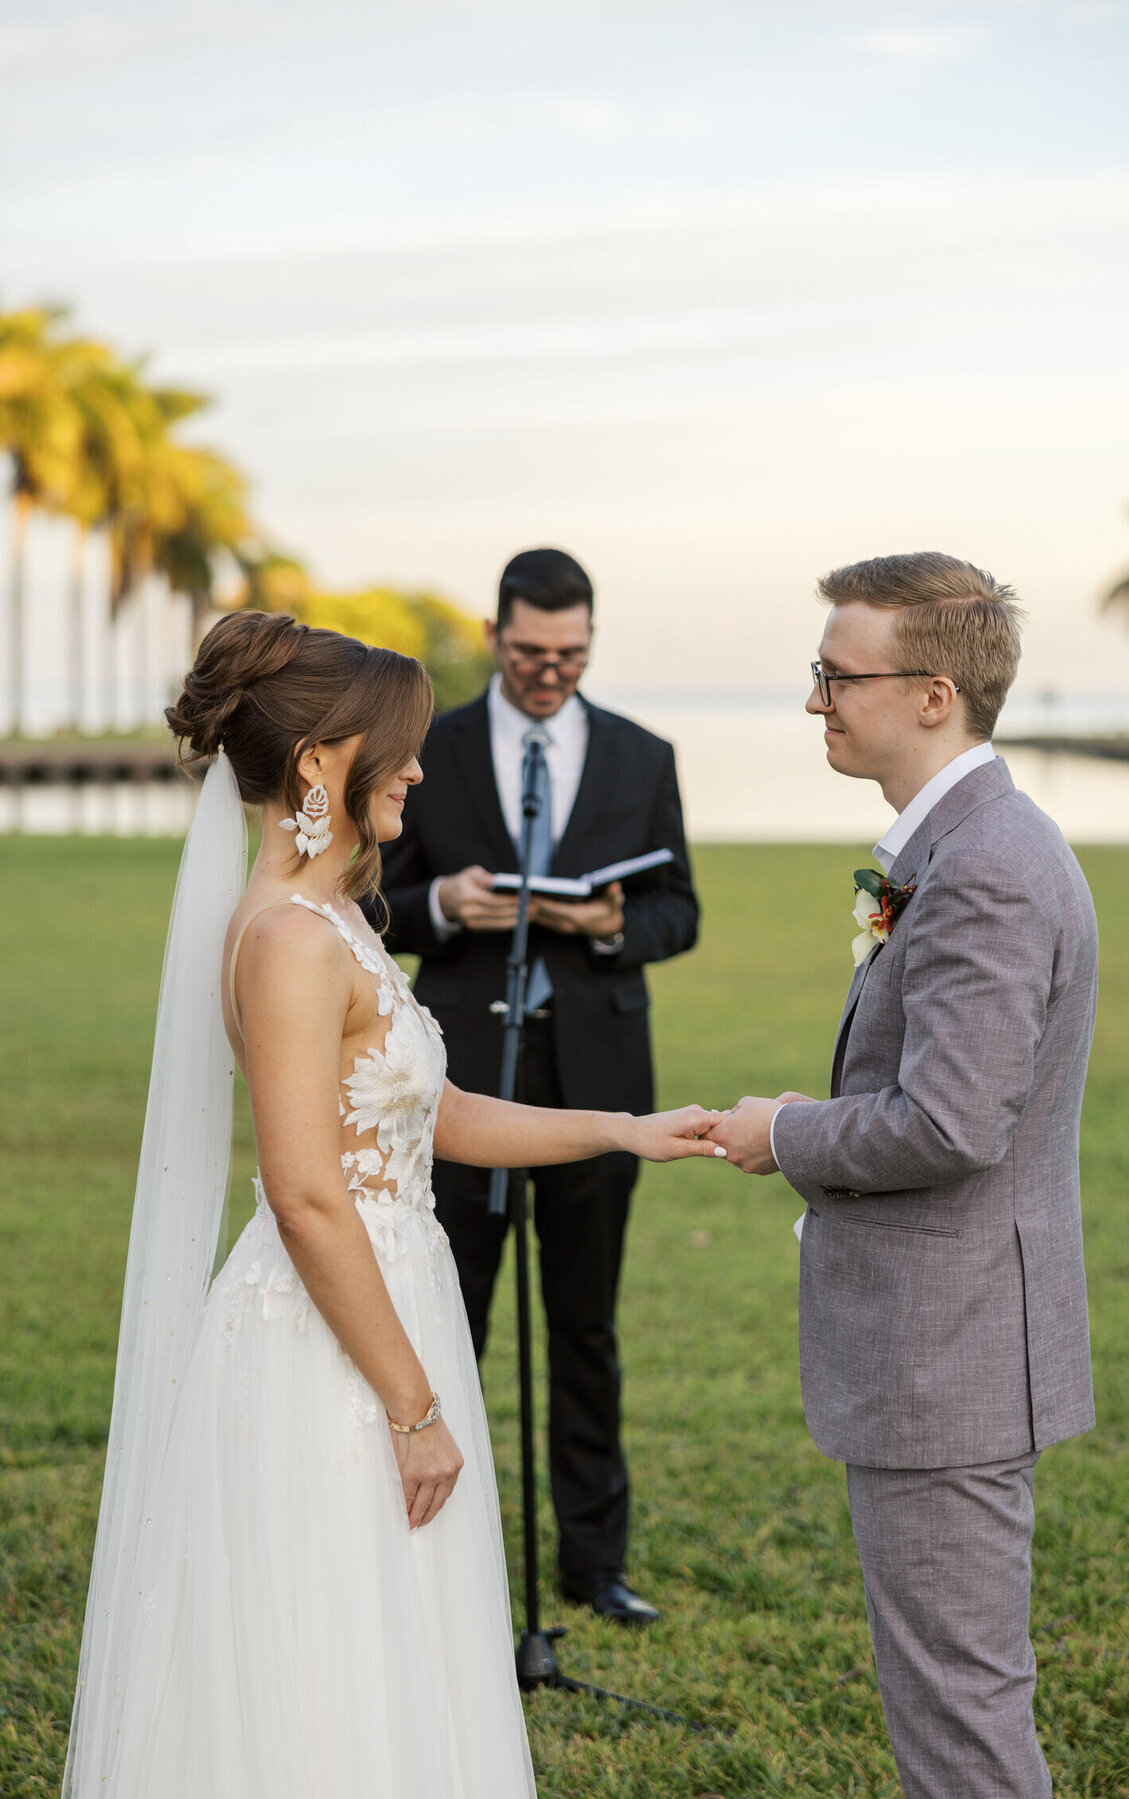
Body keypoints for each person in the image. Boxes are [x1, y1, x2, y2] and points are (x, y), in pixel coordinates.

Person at [61, 611, 724, 1799]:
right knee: (331, 1645)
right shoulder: (285, 942)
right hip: (330, 1339)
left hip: (387, 1301)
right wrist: (414, 1406)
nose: (420, 767)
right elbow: (308, 1192)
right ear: (321, 761)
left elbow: (437, 1111)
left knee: (396, 1632)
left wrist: (624, 1128)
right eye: (400, 746)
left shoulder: (334, 920)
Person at [709, 553, 1097, 1799]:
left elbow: (947, 1124)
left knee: (962, 1726)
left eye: (838, 674)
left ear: (935, 692)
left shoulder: (984, 863)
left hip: (951, 1351)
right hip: (954, 1338)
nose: (817, 699)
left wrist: (787, 1131)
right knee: (950, 1699)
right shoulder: (968, 840)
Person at [375, 547, 698, 1625]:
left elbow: (678, 912)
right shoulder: (433, 747)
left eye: (569, 653)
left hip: (600, 1074)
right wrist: (441, 905)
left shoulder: (643, 756)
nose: (550, 670)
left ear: (590, 640)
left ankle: (593, 1565)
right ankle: (429, 1546)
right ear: (494, 635)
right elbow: (369, 901)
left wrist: (611, 923)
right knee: (446, 1312)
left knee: (586, 1325)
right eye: (529, 652)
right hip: (459, 1075)